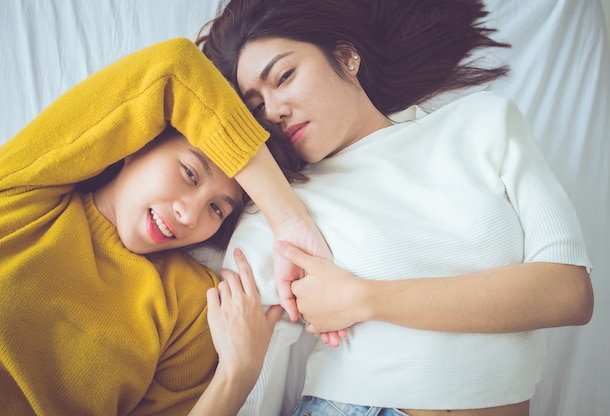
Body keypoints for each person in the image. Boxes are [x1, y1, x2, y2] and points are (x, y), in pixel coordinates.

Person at [196, 0, 595, 415]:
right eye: (257, 106)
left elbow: (569, 292)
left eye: (285, 76)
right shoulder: (283, 207)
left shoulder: (484, 123)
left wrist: (364, 298)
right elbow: (172, 75)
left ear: (346, 56)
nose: (274, 110)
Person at [0, 37, 332, 415]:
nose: (189, 215)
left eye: (216, 208)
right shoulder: (24, 193)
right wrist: (287, 217)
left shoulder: (196, 305)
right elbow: (174, 67)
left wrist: (237, 374)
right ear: (137, 141)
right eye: (189, 173)